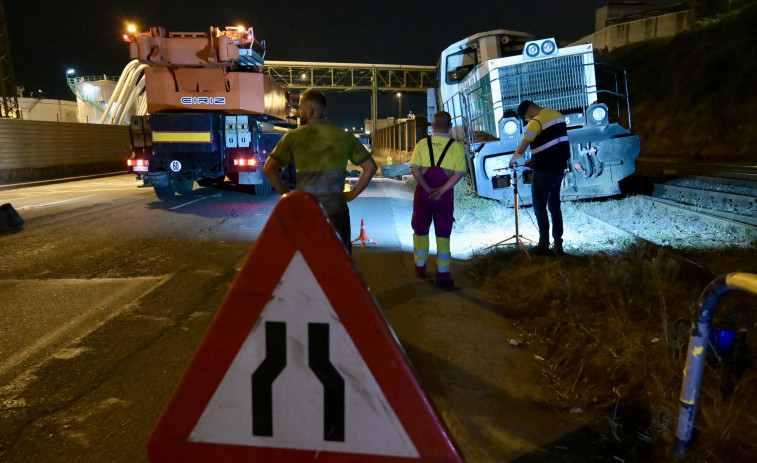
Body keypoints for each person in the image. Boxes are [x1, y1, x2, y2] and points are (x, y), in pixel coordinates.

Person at [264, 89, 377, 253]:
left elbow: (269, 168)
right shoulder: (343, 136)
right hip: (337, 210)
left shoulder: (293, 137)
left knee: (308, 263)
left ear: (309, 111)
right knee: (340, 260)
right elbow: (371, 167)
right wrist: (353, 193)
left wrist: (287, 195)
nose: (299, 113)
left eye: (301, 109)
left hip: (306, 212)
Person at [409, 111, 467, 288]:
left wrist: (428, 190)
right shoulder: (456, 147)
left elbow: (415, 170)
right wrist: (441, 191)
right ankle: (442, 275)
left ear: (432, 126)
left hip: (423, 196)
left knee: (420, 230)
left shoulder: (422, 144)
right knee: (443, 234)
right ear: (450, 127)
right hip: (444, 197)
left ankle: (420, 268)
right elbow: (459, 173)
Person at [509, 100, 570, 256]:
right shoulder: (558, 115)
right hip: (558, 168)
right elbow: (552, 144)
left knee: (539, 206)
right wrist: (534, 160)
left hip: (543, 171)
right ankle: (558, 244)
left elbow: (522, 149)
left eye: (526, 119)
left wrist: (512, 161)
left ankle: (543, 245)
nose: (527, 121)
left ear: (528, 113)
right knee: (555, 206)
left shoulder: (535, 122)